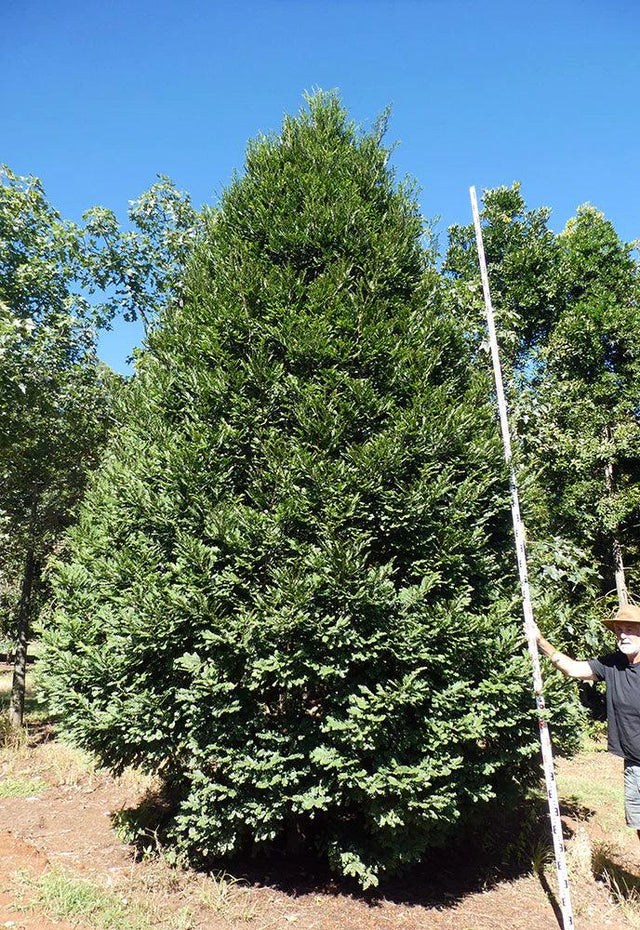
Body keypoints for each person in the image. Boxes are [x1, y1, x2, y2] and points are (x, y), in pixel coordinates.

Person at [535, 603, 640, 841]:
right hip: (634, 764)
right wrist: (541, 642)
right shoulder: (614, 664)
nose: (622, 635)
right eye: (618, 630)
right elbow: (572, 668)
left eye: (630, 629)